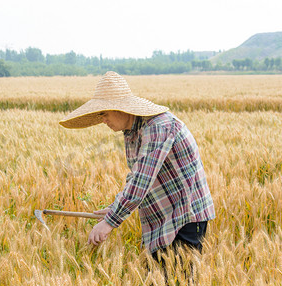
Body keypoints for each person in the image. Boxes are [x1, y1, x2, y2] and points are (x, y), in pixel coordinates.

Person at [59, 71, 215, 258]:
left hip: (184, 217)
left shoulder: (158, 127)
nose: (103, 120)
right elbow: (135, 176)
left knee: (178, 285)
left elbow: (142, 180)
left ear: (121, 109)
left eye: (104, 113)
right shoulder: (132, 130)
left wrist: (110, 222)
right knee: (157, 285)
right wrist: (114, 208)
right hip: (164, 216)